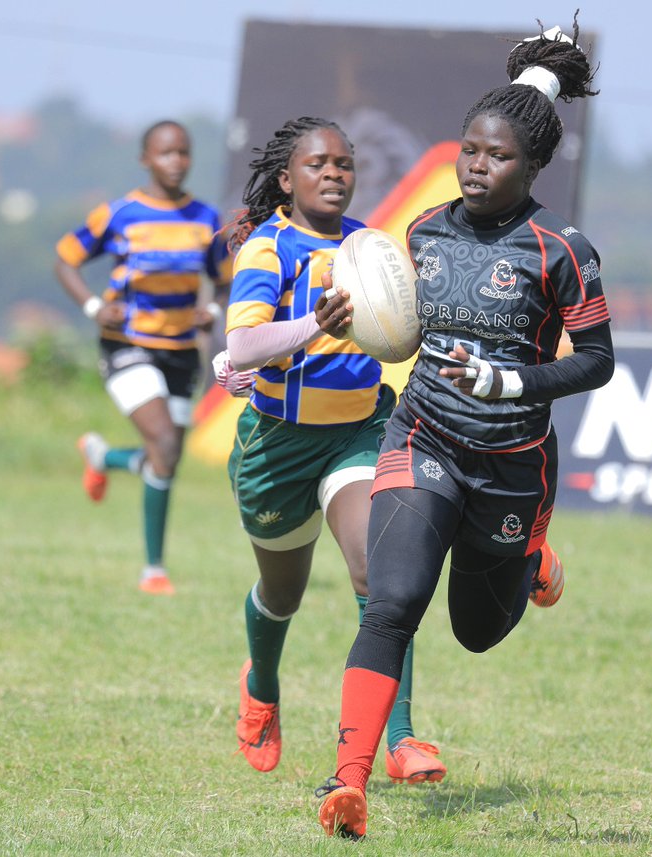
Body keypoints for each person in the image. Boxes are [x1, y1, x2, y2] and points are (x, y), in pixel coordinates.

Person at [316, 19, 613, 839]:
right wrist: (351, 322)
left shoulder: (562, 250)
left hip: (512, 467)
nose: (478, 166)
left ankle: (531, 555)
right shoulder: (424, 230)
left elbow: (596, 362)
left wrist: (510, 377)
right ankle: (347, 782)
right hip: (426, 438)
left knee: (477, 633)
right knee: (391, 600)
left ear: (536, 166)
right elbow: (405, 334)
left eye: (500, 156)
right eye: (470, 151)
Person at [224, 116, 450, 784]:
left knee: (380, 574)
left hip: (356, 433)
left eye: (344, 164)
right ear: (288, 179)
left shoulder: (372, 249)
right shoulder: (269, 248)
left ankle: (401, 737)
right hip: (277, 448)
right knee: (281, 591)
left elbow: (402, 333)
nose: (333, 174)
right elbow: (241, 348)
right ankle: (262, 682)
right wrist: (309, 326)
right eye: (318, 164)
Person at [54, 120, 230, 595]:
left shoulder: (205, 219)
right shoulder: (120, 214)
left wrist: (212, 309)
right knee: (165, 448)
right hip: (127, 345)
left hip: (180, 354)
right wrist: (94, 308)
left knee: (166, 461)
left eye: (184, 153)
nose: (176, 161)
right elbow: (65, 258)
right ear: (146, 159)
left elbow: (225, 278)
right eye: (166, 153)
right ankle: (154, 570)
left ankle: (103, 456)